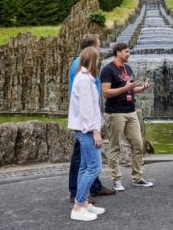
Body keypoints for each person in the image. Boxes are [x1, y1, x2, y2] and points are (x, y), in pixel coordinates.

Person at [68, 35, 115, 205]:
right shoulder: (81, 73)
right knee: (89, 163)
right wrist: (95, 130)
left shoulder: (85, 72)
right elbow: (85, 105)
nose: (100, 49)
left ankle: (87, 192)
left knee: (84, 162)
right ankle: (78, 197)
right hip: (85, 125)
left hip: (85, 123)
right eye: (98, 46)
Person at [100, 42, 153, 191]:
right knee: (115, 146)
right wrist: (125, 88)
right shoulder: (108, 69)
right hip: (115, 112)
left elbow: (130, 89)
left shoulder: (127, 68)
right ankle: (116, 180)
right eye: (126, 52)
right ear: (118, 52)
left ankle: (137, 177)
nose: (128, 54)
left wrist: (141, 88)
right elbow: (106, 92)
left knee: (138, 144)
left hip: (131, 111)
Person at [68, 47, 105, 221]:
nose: (99, 62)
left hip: (85, 128)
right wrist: (95, 131)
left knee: (84, 167)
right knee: (94, 167)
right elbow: (86, 109)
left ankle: (84, 204)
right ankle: (78, 206)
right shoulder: (83, 79)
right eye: (97, 59)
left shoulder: (86, 78)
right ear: (91, 60)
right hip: (87, 129)